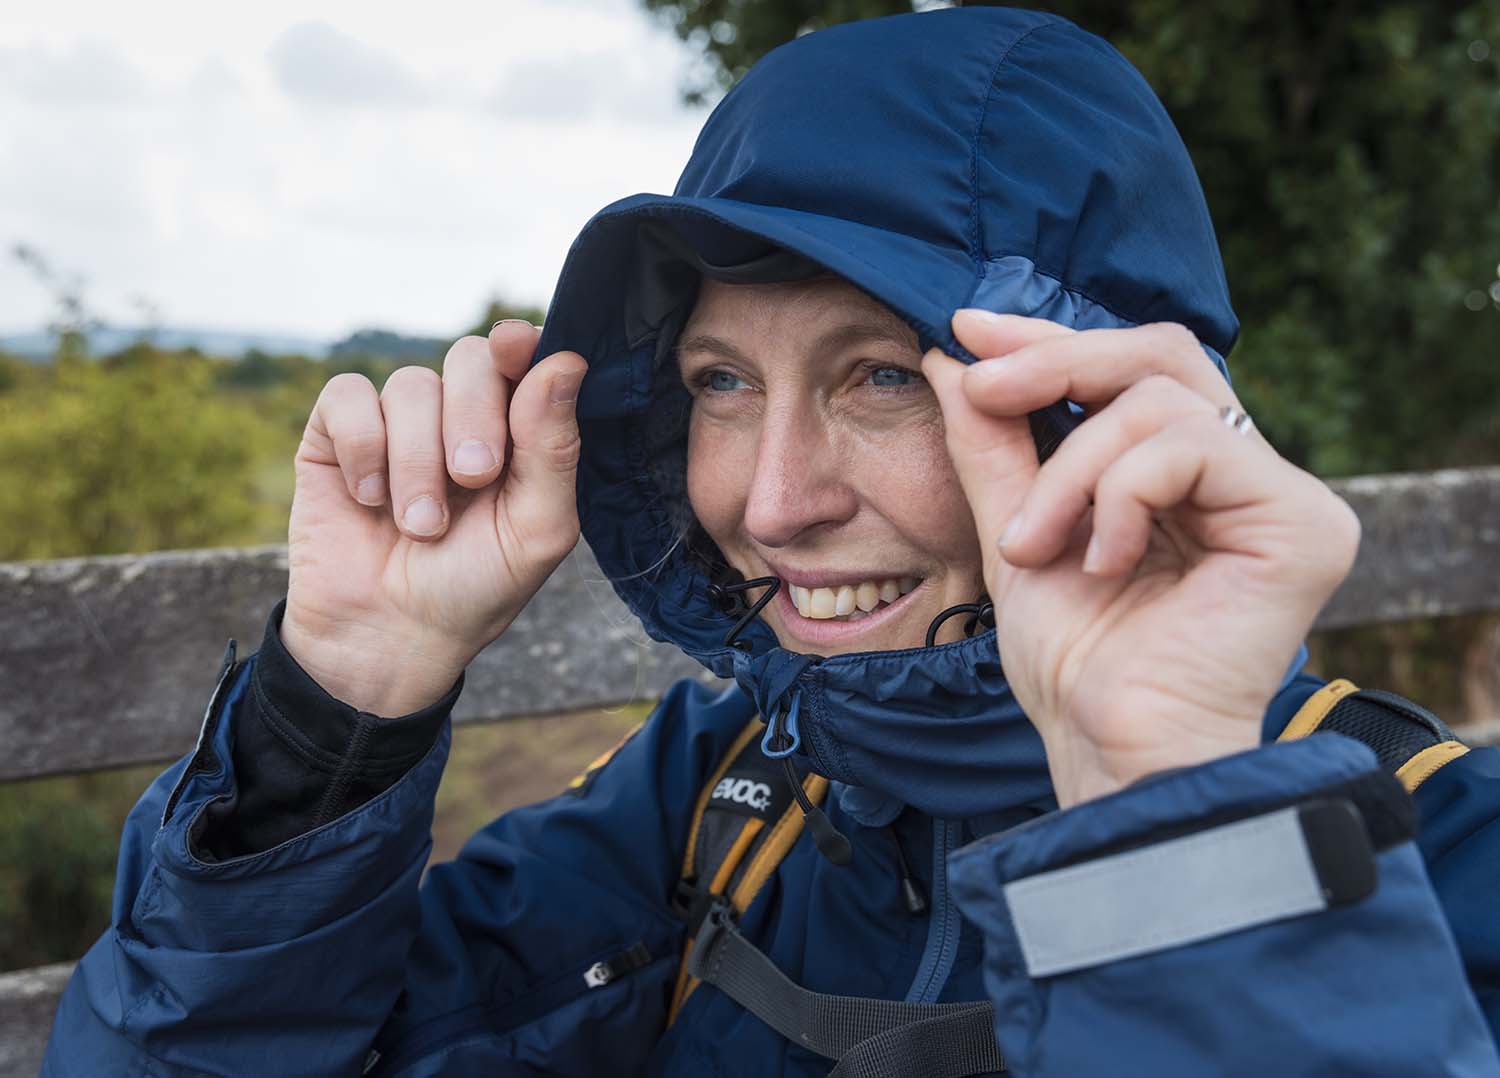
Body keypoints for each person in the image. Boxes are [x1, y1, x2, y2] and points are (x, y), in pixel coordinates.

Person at [43, 7, 1500, 1077]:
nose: (769, 498)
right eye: (718, 383)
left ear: (1096, 400)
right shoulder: (716, 789)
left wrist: (1176, 801)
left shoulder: (1444, 854)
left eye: (880, 377)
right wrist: (337, 707)